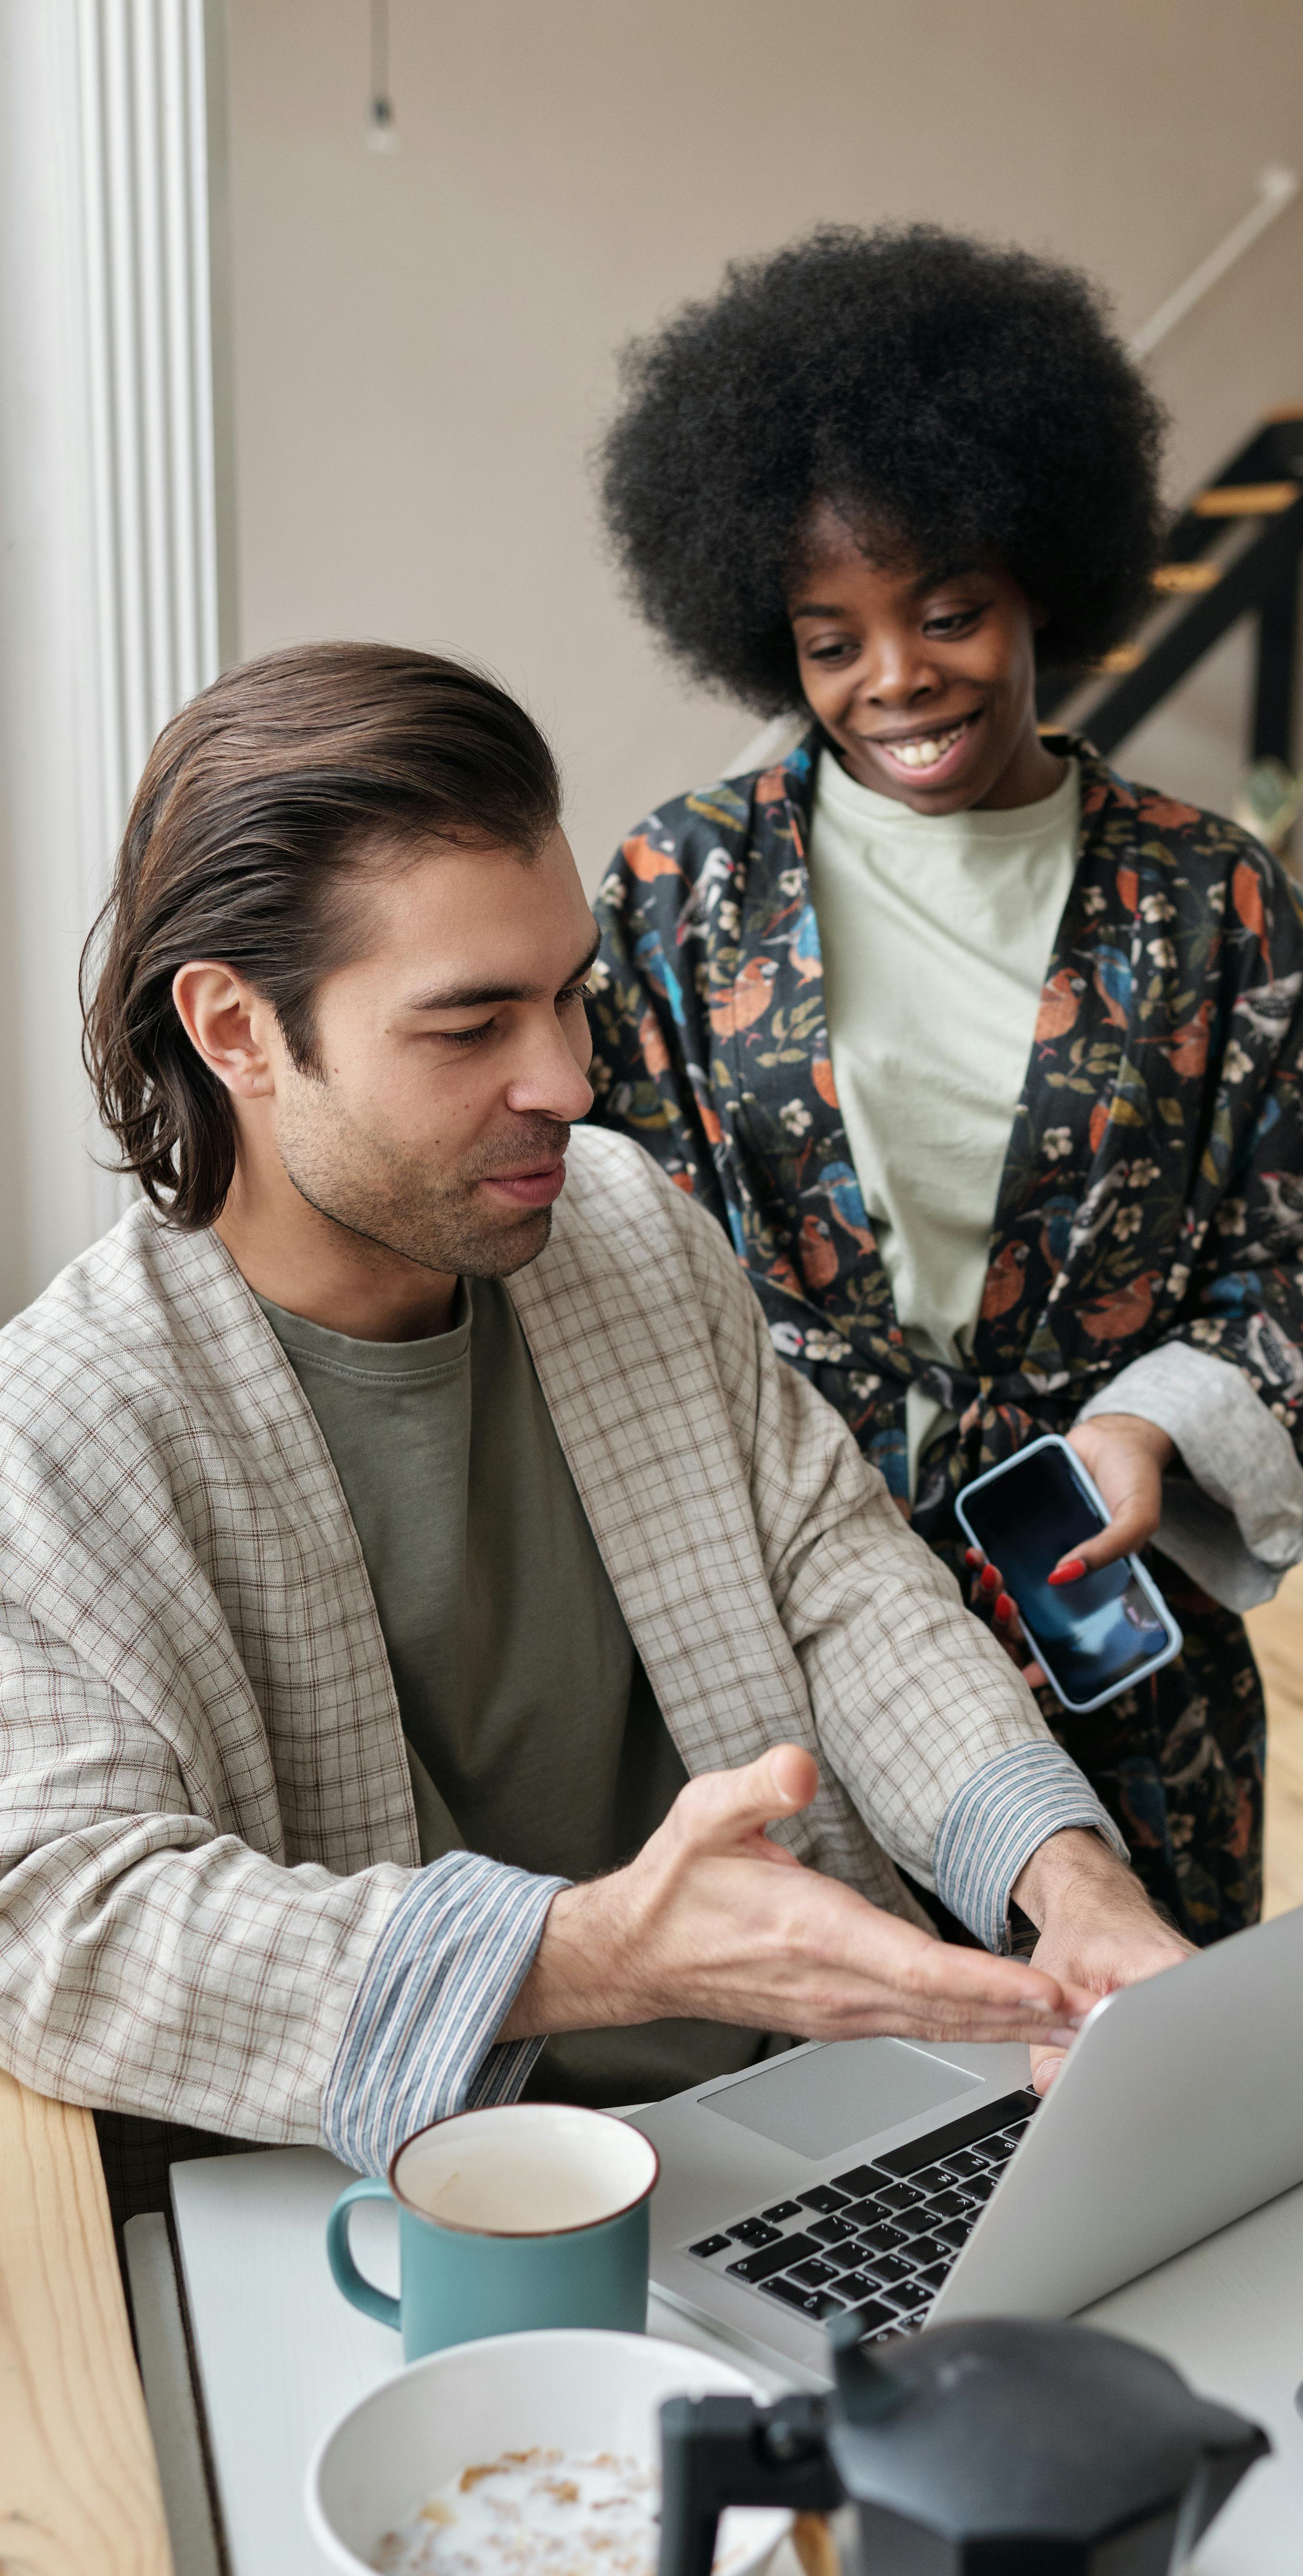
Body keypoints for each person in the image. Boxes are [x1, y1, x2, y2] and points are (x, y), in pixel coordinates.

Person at [0, 643, 1189, 2192]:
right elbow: (56, 1916)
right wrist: (597, 1954)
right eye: (469, 1025)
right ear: (235, 1031)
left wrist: (1068, 1880)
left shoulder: (622, 1224)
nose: (565, 1078)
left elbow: (838, 1585)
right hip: (420, 2198)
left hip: (810, 2117)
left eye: (568, 997)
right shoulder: (63, 1429)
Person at [587, 225, 1303, 1947]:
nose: (898, 680)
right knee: (828, 2105)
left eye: (946, 611)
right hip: (790, 1611)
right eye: (831, 640)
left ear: (1043, 579)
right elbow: (603, 1226)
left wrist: (1143, 1426)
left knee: (1140, 2070)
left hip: (1105, 1602)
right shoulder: (680, 891)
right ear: (763, 640)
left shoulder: (1210, 899)